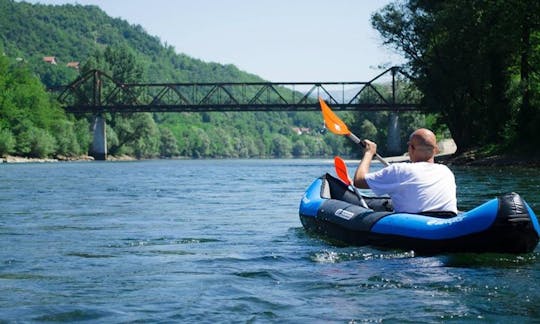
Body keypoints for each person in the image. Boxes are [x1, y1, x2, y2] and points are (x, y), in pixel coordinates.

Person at [353, 128, 457, 215]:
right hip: (445, 223)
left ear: (411, 148)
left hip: (415, 228)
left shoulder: (399, 170)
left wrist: (369, 153)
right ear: (435, 150)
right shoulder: (446, 172)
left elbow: (359, 181)